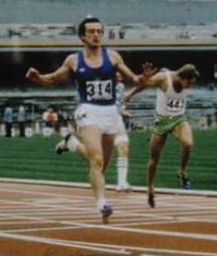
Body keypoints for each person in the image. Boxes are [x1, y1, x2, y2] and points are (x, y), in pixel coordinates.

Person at [26, 17, 152, 223]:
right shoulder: (73, 60)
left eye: (99, 31)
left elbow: (134, 79)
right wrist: (37, 77)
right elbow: (53, 80)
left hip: (111, 112)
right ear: (82, 36)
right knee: (97, 160)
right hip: (88, 111)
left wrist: (143, 79)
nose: (96, 35)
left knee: (102, 165)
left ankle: (72, 143)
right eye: (91, 31)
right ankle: (102, 203)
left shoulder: (113, 57)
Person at [124, 64, 200, 208]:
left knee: (188, 143)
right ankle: (150, 188)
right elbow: (145, 84)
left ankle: (182, 172)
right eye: (188, 83)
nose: (189, 86)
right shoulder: (164, 78)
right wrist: (130, 94)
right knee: (154, 159)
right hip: (161, 122)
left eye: (192, 83)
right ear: (182, 77)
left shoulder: (183, 80)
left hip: (178, 119)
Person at [112, 72, 132, 192]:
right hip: (101, 118)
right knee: (96, 155)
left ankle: (122, 183)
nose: (119, 79)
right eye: (116, 77)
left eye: (120, 77)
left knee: (123, 146)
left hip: (116, 118)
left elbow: (120, 103)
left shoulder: (120, 87)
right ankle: (71, 144)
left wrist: (123, 109)